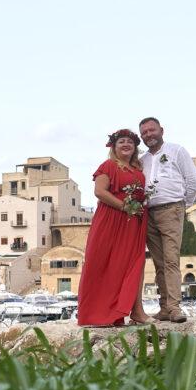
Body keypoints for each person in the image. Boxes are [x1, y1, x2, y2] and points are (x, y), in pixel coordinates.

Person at [77, 129, 155, 326]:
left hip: (133, 223)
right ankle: (100, 314)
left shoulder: (137, 170)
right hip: (110, 221)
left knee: (134, 265)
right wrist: (124, 206)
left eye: (130, 141)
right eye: (122, 141)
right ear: (114, 146)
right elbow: (99, 192)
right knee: (105, 265)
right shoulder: (109, 166)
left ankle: (137, 311)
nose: (126, 144)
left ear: (135, 147)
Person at [138, 117, 196, 323]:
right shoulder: (143, 160)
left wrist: (183, 205)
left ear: (161, 130)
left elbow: (192, 181)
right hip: (149, 213)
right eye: (144, 132)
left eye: (151, 130)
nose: (149, 135)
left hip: (171, 209)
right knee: (159, 263)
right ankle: (164, 307)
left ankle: (174, 308)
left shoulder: (177, 151)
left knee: (171, 260)